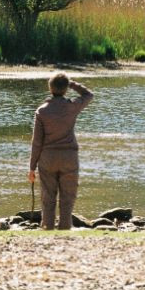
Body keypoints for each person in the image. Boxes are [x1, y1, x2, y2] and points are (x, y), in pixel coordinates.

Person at [28, 73, 94, 230]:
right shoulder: (72, 106)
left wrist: (32, 167)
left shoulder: (42, 111)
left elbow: (37, 142)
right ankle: (65, 227)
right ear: (65, 89)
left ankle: (47, 227)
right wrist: (72, 84)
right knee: (68, 196)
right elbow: (89, 95)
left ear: (49, 88)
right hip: (69, 157)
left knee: (48, 196)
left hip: (47, 159)